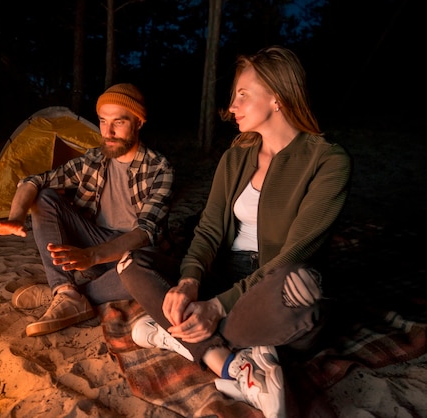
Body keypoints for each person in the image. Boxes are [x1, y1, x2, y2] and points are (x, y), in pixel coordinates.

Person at [116, 46, 351, 418]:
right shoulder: (236, 157)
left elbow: (295, 253)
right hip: (222, 277)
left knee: (299, 285)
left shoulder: (328, 161)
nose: (231, 106)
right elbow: (209, 229)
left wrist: (215, 308)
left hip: (271, 287)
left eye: (242, 94)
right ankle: (226, 362)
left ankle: (174, 336)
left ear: (277, 96)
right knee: (132, 263)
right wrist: (191, 282)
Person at [0, 83, 174, 337]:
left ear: (138, 123)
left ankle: (68, 293)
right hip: (92, 246)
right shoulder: (93, 160)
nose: (108, 131)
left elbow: (144, 233)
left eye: (119, 122)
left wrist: (92, 256)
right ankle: (65, 291)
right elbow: (33, 181)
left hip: (132, 255)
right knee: (45, 196)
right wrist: (16, 218)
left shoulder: (159, 168)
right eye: (103, 121)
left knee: (143, 271)